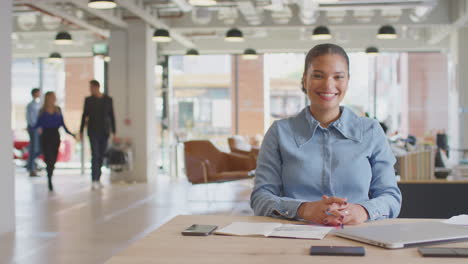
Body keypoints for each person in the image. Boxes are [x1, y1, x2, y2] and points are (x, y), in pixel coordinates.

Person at [250, 44, 402, 226]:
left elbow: (391, 196)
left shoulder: (371, 131)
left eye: (338, 77)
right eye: (318, 75)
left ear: (347, 81)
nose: (328, 85)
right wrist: (304, 209)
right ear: (305, 80)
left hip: (358, 235)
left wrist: (363, 211)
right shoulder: (279, 132)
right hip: (293, 238)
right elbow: (260, 197)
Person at [34, 91, 75, 191]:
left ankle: (50, 174)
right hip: (45, 136)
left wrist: (71, 134)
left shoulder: (58, 110)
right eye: (52, 97)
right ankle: (49, 179)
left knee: (53, 158)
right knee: (48, 157)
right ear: (48, 98)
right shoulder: (42, 111)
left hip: (55, 136)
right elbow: (37, 124)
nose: (54, 99)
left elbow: (63, 124)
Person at [79, 80, 116, 189]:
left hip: (104, 131)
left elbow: (112, 116)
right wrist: (81, 131)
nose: (90, 90)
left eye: (91, 87)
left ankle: (98, 178)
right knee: (95, 154)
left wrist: (114, 132)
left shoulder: (108, 100)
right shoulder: (89, 100)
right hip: (93, 131)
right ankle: (94, 179)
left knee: (101, 155)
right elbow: (84, 116)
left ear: (97, 87)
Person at [26, 88, 42, 177]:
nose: (39, 94)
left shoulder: (38, 104)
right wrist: (36, 127)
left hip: (37, 128)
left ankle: (31, 166)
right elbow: (31, 118)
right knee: (34, 148)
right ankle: (32, 169)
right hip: (33, 129)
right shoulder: (31, 105)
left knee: (37, 149)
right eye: (38, 92)